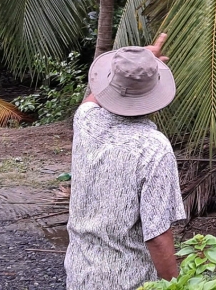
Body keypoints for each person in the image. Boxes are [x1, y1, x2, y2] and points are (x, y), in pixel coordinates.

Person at [64, 34, 185, 290]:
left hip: (81, 275)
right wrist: (178, 286)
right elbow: (158, 236)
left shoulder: (85, 120)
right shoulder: (154, 148)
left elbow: (93, 99)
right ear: (155, 93)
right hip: (132, 282)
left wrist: (132, 66)